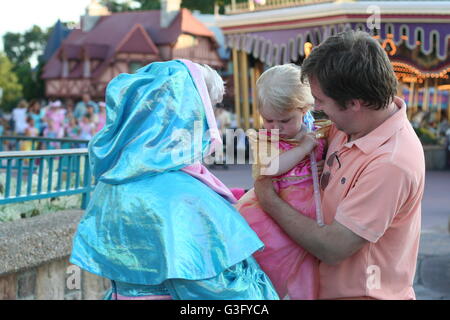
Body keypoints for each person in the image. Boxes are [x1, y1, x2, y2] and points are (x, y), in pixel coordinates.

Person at [70, 59, 279, 300]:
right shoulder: (183, 196)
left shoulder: (114, 181)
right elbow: (209, 288)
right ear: (186, 113)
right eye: (208, 109)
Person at [253, 30, 425, 300]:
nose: (317, 109)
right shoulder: (348, 127)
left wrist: (269, 199)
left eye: (321, 101)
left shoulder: (391, 162)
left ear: (354, 104)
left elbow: (332, 247)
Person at [235, 64, 330, 300]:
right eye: (269, 120)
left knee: (307, 275)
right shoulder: (265, 140)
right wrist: (305, 149)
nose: (276, 128)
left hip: (312, 215)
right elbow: (269, 168)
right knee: (270, 261)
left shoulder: (321, 132)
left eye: (285, 120)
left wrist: (322, 166)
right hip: (274, 215)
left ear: (304, 108)